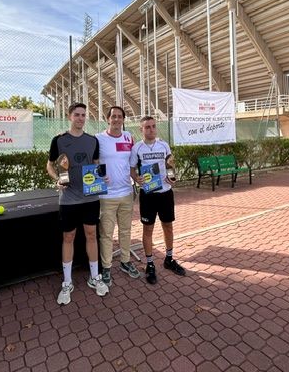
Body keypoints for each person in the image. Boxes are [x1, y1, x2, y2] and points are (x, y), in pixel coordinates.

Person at [47, 102, 109, 304]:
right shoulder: (58, 140)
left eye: (83, 115)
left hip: (91, 198)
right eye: (77, 114)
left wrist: (102, 178)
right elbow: (49, 165)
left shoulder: (93, 141)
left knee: (92, 235)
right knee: (69, 237)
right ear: (69, 116)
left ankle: (95, 277)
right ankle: (67, 282)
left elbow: (97, 165)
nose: (81, 118)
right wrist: (57, 179)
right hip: (69, 199)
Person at [130, 116, 186, 285]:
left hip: (165, 193)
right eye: (147, 127)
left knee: (168, 226)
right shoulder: (137, 148)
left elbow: (170, 165)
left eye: (153, 126)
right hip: (148, 194)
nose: (151, 129)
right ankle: (149, 264)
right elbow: (132, 169)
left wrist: (173, 177)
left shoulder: (164, 145)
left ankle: (168, 259)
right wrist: (136, 179)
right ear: (141, 129)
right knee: (148, 230)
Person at [96, 106, 141, 286]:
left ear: (123, 119)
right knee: (106, 233)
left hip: (126, 193)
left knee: (125, 230)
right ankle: (106, 267)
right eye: (113, 116)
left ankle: (124, 261)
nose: (116, 119)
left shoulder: (129, 137)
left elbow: (131, 164)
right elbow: (93, 161)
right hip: (106, 196)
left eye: (119, 116)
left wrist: (137, 178)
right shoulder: (98, 139)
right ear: (107, 119)